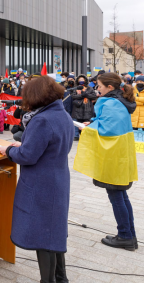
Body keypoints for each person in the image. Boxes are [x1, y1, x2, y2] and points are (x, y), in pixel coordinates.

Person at [0, 76, 73, 283]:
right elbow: (52, 145)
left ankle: (47, 280)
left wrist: (9, 150)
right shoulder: (61, 113)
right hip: (57, 178)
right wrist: (27, 146)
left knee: (43, 233)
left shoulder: (41, 119)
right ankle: (60, 277)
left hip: (41, 183)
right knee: (54, 230)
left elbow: (28, 156)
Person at [74, 73, 138, 251]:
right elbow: (108, 123)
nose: (97, 89)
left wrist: (86, 129)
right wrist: (93, 122)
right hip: (120, 155)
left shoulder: (110, 103)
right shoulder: (118, 102)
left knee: (117, 196)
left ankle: (125, 236)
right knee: (121, 196)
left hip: (113, 157)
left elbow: (107, 130)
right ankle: (130, 236)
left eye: (100, 86)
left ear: (110, 87)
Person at [70, 74, 96, 141]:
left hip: (87, 107)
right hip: (78, 107)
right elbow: (73, 96)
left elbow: (94, 96)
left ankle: (85, 134)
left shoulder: (89, 88)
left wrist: (86, 95)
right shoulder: (76, 88)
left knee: (86, 121)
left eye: (82, 79)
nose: (81, 81)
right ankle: (76, 136)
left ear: (85, 80)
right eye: (80, 79)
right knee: (76, 122)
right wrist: (82, 95)